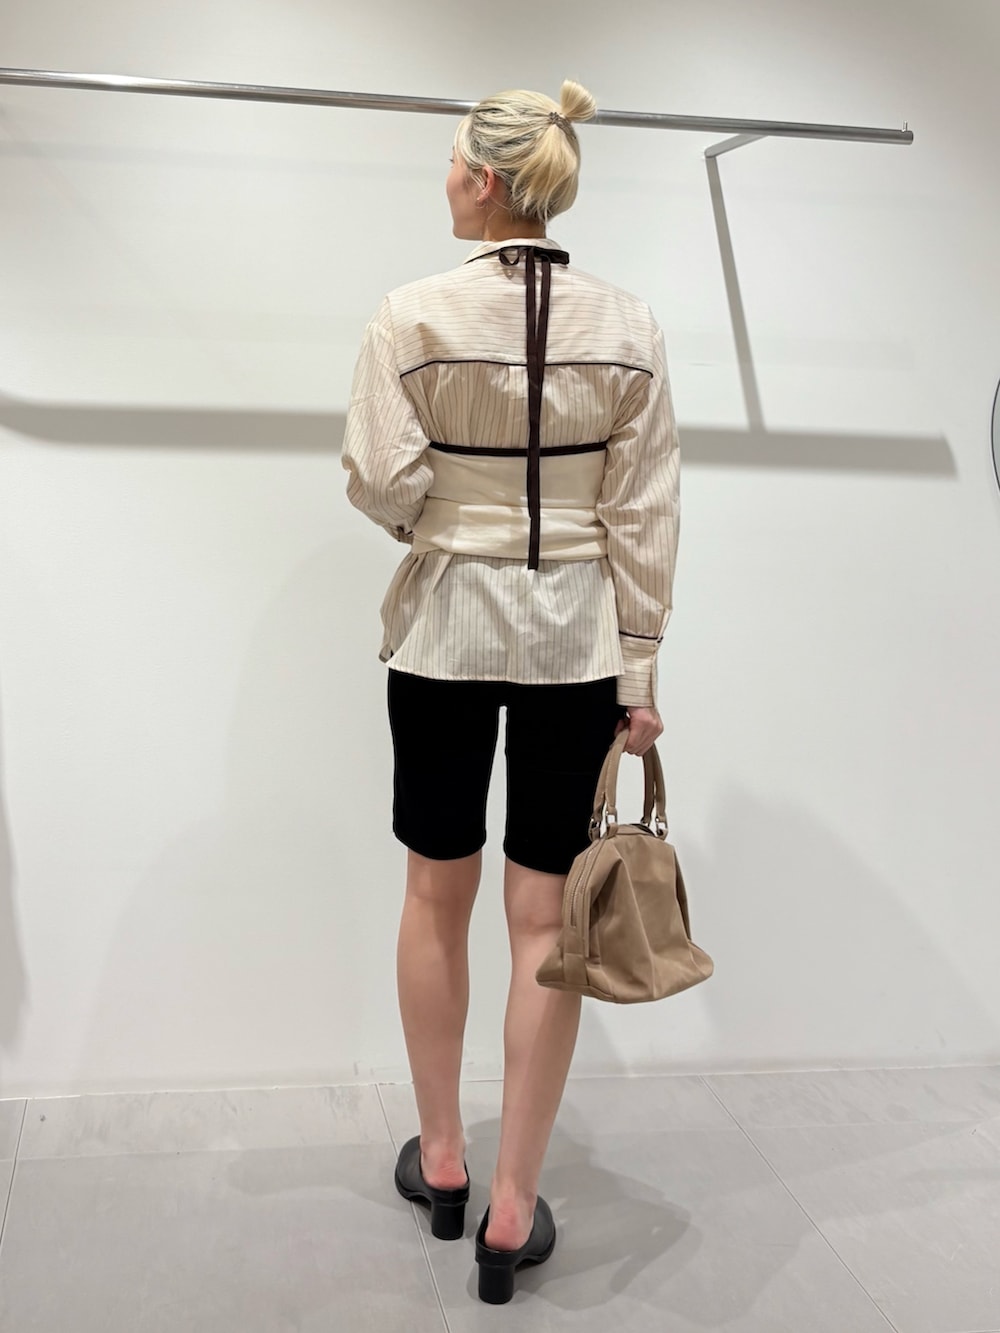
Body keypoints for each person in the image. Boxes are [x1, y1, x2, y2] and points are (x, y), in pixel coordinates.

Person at [341, 78, 680, 1304]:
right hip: (575, 647)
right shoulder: (629, 325)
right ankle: (512, 1210)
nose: (443, 178)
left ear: (485, 180)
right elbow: (643, 512)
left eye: (451, 162)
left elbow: (377, 481)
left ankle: (442, 1162)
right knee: (543, 921)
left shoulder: (410, 315)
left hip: (441, 632)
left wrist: (446, 519)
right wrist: (639, 671)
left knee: (435, 894)